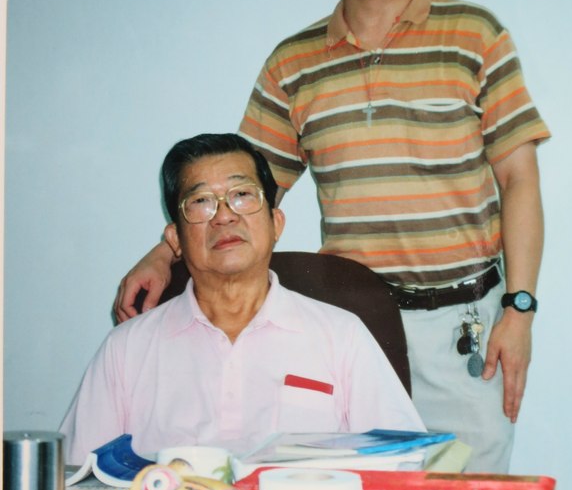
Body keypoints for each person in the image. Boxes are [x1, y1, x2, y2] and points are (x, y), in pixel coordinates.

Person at [114, 0, 550, 474]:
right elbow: (242, 190)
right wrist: (164, 256)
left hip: (465, 330)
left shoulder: (474, 36)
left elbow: (519, 179)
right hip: (353, 327)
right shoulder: (293, 63)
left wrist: (519, 309)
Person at [62, 133, 425, 463]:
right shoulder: (126, 350)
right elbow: (78, 480)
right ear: (175, 240)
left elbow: (403, 466)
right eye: (201, 201)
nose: (224, 216)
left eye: (242, 195)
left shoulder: (341, 336)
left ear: (276, 223)